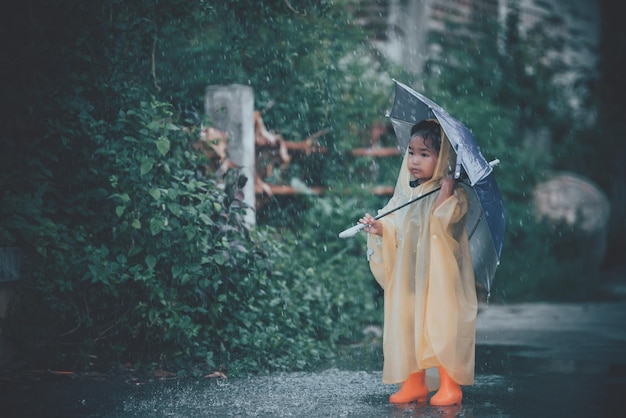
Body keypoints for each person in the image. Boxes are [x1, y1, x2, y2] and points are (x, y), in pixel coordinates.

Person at [358, 119, 477, 406]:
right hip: (412, 277)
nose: (415, 160)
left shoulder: (456, 195)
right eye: (411, 152)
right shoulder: (408, 194)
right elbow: (397, 224)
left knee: (442, 327)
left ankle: (450, 385)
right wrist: (381, 228)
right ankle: (414, 382)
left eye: (425, 154)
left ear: (443, 158)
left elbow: (442, 223)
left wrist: (447, 191)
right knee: (410, 325)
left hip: (440, 280)